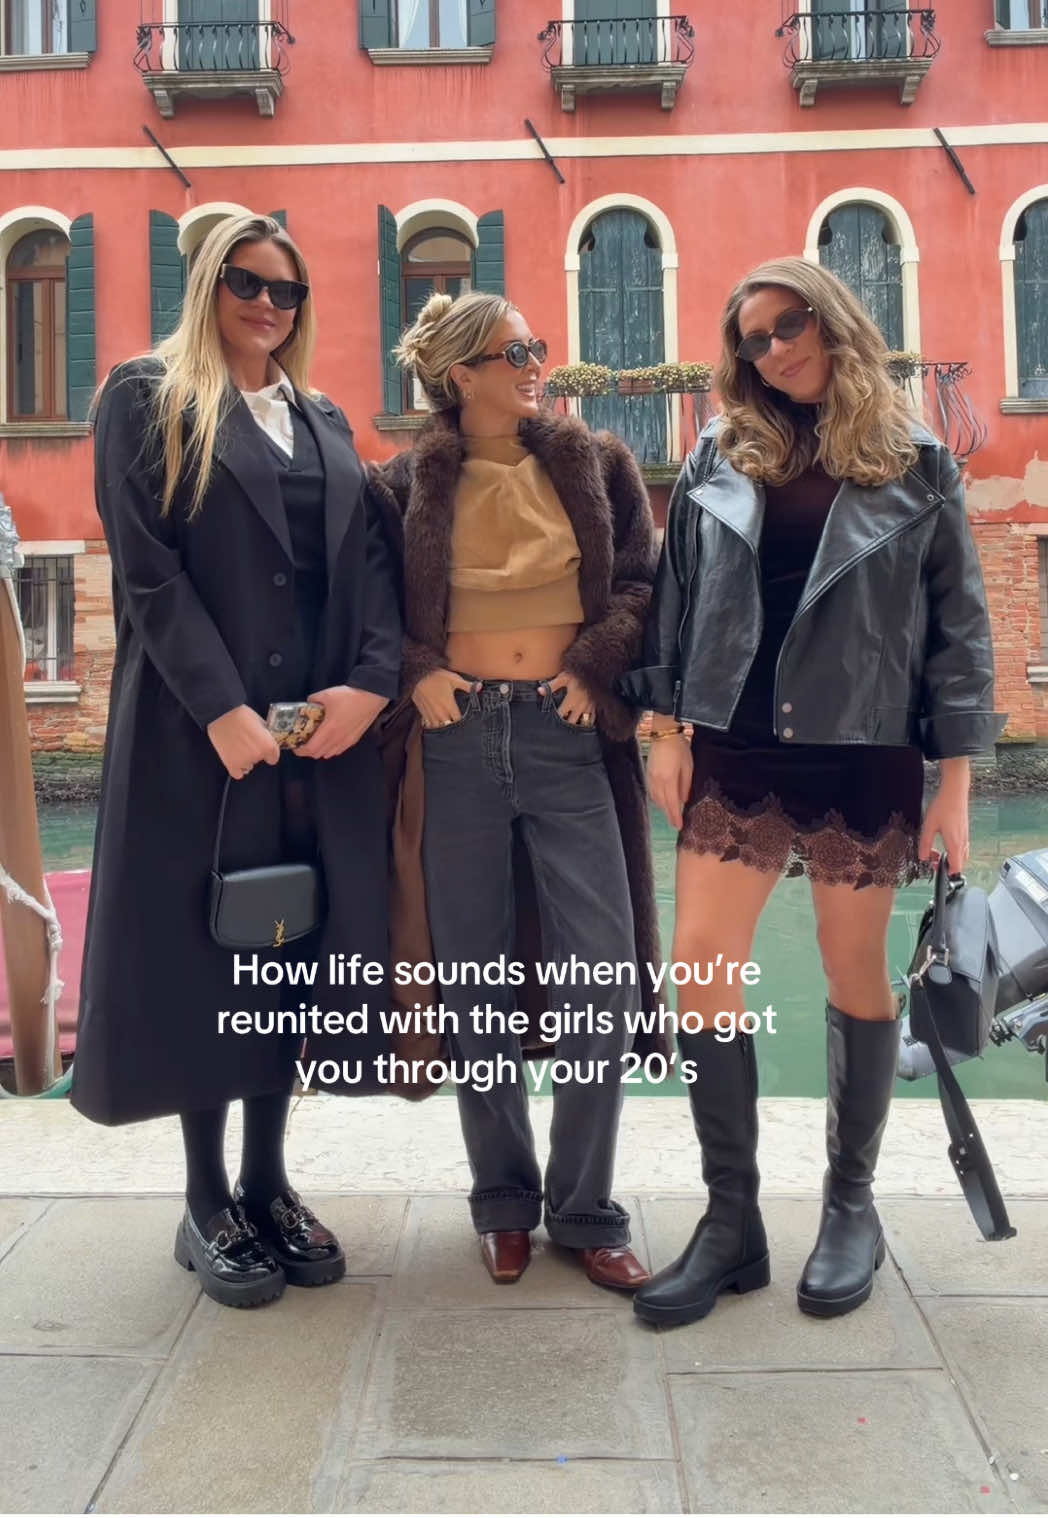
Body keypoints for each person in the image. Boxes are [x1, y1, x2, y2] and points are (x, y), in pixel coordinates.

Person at [621, 256, 1005, 1327]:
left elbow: (960, 634)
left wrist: (954, 786)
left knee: (853, 971)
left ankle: (850, 1207)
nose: (773, 349)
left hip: (862, 743)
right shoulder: (718, 451)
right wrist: (664, 728)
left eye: (787, 324)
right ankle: (730, 1221)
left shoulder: (920, 462)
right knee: (701, 967)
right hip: (735, 740)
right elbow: (673, 598)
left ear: (830, 319)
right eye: (751, 339)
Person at [71, 213, 401, 1308]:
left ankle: (268, 1181)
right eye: (248, 283)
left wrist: (370, 684)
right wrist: (219, 708)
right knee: (203, 958)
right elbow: (148, 571)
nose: (268, 304)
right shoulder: (145, 396)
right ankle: (206, 1199)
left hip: (315, 740)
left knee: (285, 955)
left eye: (287, 290)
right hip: (197, 737)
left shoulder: (323, 417)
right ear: (209, 284)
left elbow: (369, 561)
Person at [366, 290, 656, 1291]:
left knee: (603, 975)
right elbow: (368, 610)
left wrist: (593, 668)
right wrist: (417, 672)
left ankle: (584, 1207)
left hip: (567, 739)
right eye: (515, 351)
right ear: (461, 374)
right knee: (472, 976)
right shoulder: (401, 484)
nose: (538, 364)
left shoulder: (598, 464)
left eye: (537, 347)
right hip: (454, 746)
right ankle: (501, 1200)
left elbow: (639, 585)